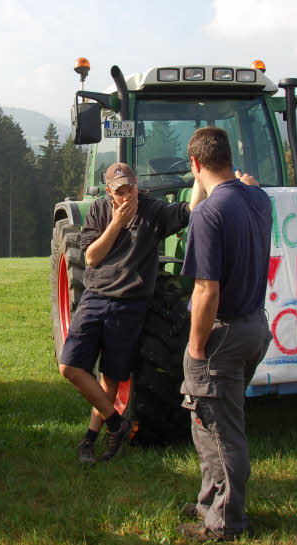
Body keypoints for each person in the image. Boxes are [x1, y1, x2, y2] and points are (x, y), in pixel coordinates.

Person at [58, 162, 203, 464]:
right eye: (120, 191)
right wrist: (116, 224)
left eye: (131, 188)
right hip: (96, 296)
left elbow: (191, 209)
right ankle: (117, 423)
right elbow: (91, 258)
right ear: (110, 193)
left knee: (111, 377)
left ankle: (90, 438)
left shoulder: (152, 210)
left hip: (130, 302)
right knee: (69, 367)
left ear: (137, 184)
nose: (127, 196)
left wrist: (201, 175)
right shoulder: (99, 211)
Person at [177, 127, 273, 542]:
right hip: (255, 325)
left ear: (195, 165)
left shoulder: (207, 213)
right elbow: (249, 187)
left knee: (221, 429)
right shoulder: (258, 199)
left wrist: (197, 347)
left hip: (223, 336)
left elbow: (205, 289)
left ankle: (227, 522)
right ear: (230, 159)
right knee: (207, 421)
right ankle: (209, 502)